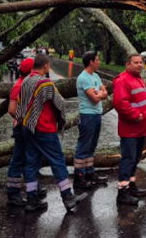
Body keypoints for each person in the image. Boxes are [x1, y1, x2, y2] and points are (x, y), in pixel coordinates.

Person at [15, 54, 88, 214]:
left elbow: (20, 103)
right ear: (46, 66)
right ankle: (68, 197)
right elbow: (59, 103)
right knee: (58, 161)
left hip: (27, 127)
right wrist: (60, 120)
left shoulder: (26, 81)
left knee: (31, 163)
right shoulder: (45, 83)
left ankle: (32, 200)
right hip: (43, 128)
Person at [113, 54, 146, 206]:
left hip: (140, 129)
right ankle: (122, 192)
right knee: (128, 159)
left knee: (135, 158)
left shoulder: (138, 79)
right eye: (136, 63)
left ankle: (131, 186)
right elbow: (120, 103)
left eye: (141, 63)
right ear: (128, 64)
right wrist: (136, 116)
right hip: (131, 129)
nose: (139, 65)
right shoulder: (122, 80)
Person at [5, 57, 45, 207]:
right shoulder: (19, 86)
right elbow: (12, 110)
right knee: (19, 160)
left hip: (30, 128)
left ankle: (33, 188)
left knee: (32, 160)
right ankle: (13, 193)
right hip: (22, 129)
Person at [74, 52, 110, 190]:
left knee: (92, 146)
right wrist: (100, 93)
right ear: (91, 62)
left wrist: (100, 93)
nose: (99, 62)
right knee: (83, 146)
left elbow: (104, 94)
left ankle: (89, 172)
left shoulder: (96, 76)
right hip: (87, 115)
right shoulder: (83, 78)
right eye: (97, 60)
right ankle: (79, 176)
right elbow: (95, 98)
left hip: (97, 114)